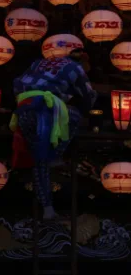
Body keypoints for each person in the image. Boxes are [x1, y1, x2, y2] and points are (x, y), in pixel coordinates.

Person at [12, 50, 97, 220]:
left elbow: (16, 85)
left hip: (25, 108)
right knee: (75, 116)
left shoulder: (39, 62)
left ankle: (47, 208)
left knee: (38, 159)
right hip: (49, 108)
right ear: (84, 62)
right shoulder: (74, 67)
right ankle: (56, 153)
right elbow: (88, 96)